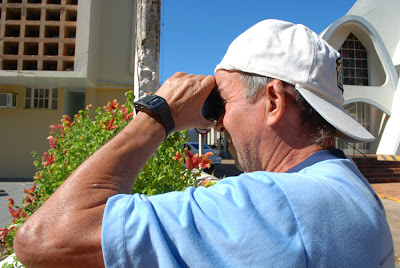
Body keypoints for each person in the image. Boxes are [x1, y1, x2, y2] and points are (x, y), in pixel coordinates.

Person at [14, 19, 394, 267]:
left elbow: (42, 240)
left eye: (222, 102)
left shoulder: (271, 207)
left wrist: (157, 115)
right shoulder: (355, 192)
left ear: (274, 101)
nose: (218, 122)